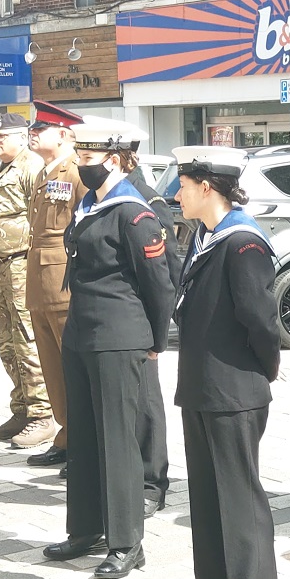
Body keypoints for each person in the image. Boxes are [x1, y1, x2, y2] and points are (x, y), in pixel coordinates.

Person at [41, 119, 175, 579]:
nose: (80, 164)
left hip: (120, 336)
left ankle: (126, 542)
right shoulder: (88, 204)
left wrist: (155, 340)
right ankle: (85, 528)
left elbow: (159, 285)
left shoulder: (134, 213)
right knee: (84, 433)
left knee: (118, 440)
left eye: (87, 157)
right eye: (79, 155)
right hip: (82, 331)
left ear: (114, 160)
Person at [170, 146, 282, 579]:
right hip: (201, 383)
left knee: (239, 498)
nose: (177, 194)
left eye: (184, 186)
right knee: (207, 494)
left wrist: (264, 373)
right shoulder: (207, 235)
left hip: (234, 387)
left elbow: (261, 321)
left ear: (207, 188)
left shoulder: (243, 244)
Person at [0, 112, 54, 448]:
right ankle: (22, 407)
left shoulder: (31, 168)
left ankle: (42, 415)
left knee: (27, 340)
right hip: (1, 265)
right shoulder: (3, 169)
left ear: (22, 137)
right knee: (7, 342)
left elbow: (40, 218)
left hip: (23, 264)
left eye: (3, 136)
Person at [24, 101, 86, 474]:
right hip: (40, 281)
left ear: (63, 134)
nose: (34, 133)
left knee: (71, 365)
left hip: (62, 283)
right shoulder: (42, 174)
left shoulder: (75, 172)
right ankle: (65, 434)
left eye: (41, 128)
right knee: (51, 366)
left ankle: (80, 440)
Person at [119, 127, 177, 517]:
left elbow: (166, 273)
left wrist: (157, 335)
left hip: (138, 321)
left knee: (145, 403)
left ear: (124, 159)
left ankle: (151, 481)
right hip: (114, 324)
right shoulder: (103, 199)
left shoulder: (147, 202)